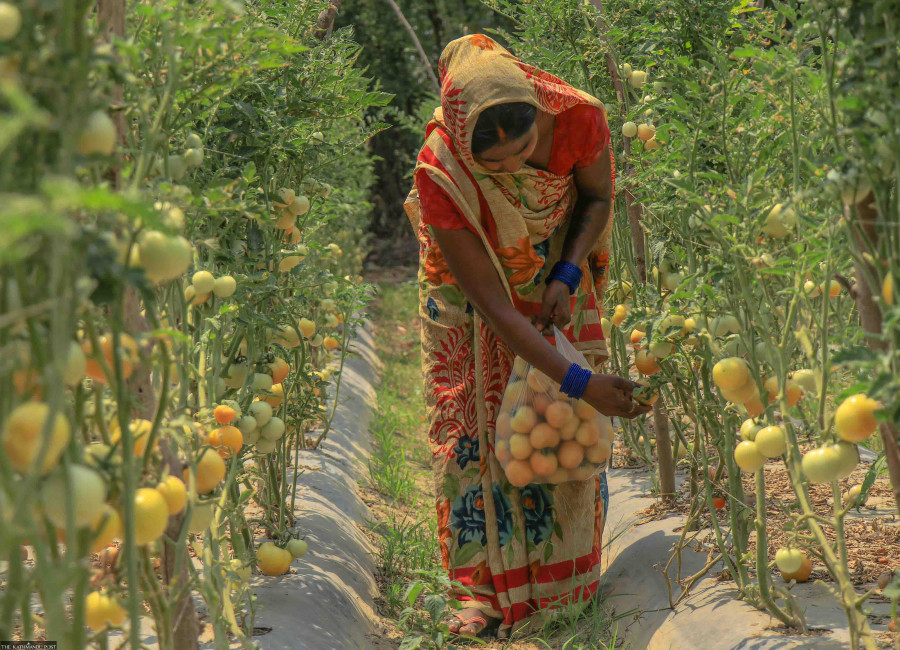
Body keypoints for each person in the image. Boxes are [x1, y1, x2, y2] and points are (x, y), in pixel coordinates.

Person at [403, 34, 651, 639]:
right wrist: (579, 382)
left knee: (556, 436)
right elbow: (494, 309)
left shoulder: (576, 117)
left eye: (525, 151)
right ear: (466, 150)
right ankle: (478, 591)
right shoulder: (443, 171)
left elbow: (595, 195)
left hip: (556, 277)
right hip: (470, 305)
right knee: (474, 434)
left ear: (538, 116)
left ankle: (564, 581)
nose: (515, 170)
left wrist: (566, 272)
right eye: (497, 167)